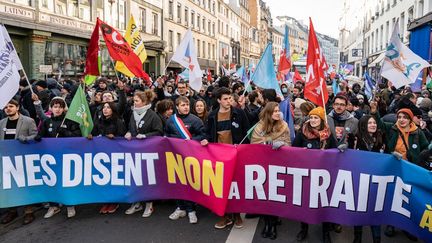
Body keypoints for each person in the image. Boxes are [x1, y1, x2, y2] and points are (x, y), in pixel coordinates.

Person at [370, 102, 428, 241]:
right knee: (392, 196)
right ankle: (391, 224)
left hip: (410, 170)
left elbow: (426, 149)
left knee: (408, 198)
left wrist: (418, 161)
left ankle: (408, 226)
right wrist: (374, 111)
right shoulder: (392, 128)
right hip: (394, 168)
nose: (401, 119)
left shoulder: (418, 132)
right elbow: (380, 124)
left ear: (410, 119)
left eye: (405, 117)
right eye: (399, 116)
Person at [201, 87, 250, 229]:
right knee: (221, 187)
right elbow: (207, 133)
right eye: (225, 99)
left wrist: (241, 147)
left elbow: (247, 134)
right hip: (218, 157)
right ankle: (224, 216)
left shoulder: (239, 113)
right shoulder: (212, 115)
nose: (229, 101)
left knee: (235, 186)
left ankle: (236, 215)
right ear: (218, 100)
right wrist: (205, 140)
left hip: (236, 155)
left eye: (230, 98)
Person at [292, 107, 337, 243]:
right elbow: (293, 151)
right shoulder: (302, 133)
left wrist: (341, 148)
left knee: (324, 204)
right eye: (311, 117)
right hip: (306, 175)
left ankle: (325, 232)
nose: (312, 120)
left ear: (322, 120)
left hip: (324, 176)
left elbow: (335, 151)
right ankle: (303, 229)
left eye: (316, 118)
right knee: (305, 203)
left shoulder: (327, 134)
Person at [32, 94, 81, 218]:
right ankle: (53, 206)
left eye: (60, 107)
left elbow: (78, 136)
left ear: (64, 108)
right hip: (50, 158)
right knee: (51, 182)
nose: (57, 109)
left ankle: (70, 205)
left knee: (66, 181)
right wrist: (38, 137)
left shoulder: (70, 121)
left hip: (66, 157)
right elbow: (41, 134)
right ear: (51, 108)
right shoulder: (47, 121)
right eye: (55, 107)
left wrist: (66, 132)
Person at [250, 102, 291, 240]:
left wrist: (283, 145)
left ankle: (272, 224)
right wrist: (270, 142)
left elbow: (289, 143)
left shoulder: (284, 125)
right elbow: (254, 144)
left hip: (278, 166)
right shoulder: (259, 127)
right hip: (262, 166)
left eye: (278, 110)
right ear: (268, 113)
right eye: (274, 111)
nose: (277, 113)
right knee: (264, 196)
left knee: (275, 195)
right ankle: (266, 223)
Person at [166, 96, 206, 224]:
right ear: (177, 107)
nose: (186, 107)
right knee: (177, 183)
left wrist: (190, 141)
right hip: (175, 157)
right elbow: (166, 136)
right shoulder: (171, 121)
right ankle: (180, 207)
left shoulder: (196, 120)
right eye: (182, 105)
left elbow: (203, 135)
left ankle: (191, 210)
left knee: (189, 183)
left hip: (190, 157)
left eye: (187, 105)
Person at [124, 90, 163, 217]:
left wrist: (146, 135)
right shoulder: (132, 113)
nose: (134, 103)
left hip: (148, 152)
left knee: (147, 178)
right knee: (135, 178)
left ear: (144, 102)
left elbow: (159, 132)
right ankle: (136, 203)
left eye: (136, 101)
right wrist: (129, 132)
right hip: (134, 151)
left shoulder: (153, 115)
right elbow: (131, 127)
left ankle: (149, 204)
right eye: (133, 100)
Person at [0, 99, 38, 225]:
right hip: (6, 160)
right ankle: (12, 210)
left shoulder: (28, 121)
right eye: (6, 107)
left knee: (25, 185)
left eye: (11, 106)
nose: (8, 109)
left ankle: (28, 211)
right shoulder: (2, 123)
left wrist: (26, 139)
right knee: (9, 186)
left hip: (23, 159)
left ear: (17, 107)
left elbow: (36, 136)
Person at [347, 115, 384, 243]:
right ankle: (357, 237)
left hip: (376, 183)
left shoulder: (381, 138)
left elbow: (388, 155)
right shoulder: (355, 139)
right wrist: (342, 149)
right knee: (359, 210)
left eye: (374, 122)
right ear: (363, 125)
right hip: (359, 181)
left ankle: (377, 239)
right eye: (370, 123)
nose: (373, 125)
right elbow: (347, 155)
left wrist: (393, 155)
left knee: (376, 211)